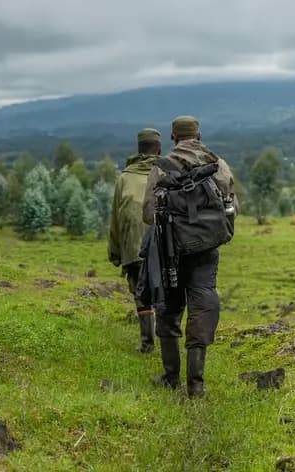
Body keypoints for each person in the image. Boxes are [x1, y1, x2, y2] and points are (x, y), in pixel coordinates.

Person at [143, 115, 237, 397]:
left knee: (169, 309)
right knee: (202, 305)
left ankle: (171, 377)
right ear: (198, 134)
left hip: (171, 249)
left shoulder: (161, 167)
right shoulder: (218, 164)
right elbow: (232, 206)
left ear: (173, 137)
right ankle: (196, 385)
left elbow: (148, 214)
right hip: (206, 250)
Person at [108, 128, 162, 353]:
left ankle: (147, 343)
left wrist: (115, 252)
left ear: (139, 149)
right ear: (158, 149)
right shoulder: (165, 173)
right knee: (164, 292)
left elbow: (115, 219)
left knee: (141, 294)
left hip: (133, 246)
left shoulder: (124, 178)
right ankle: (168, 340)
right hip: (162, 246)